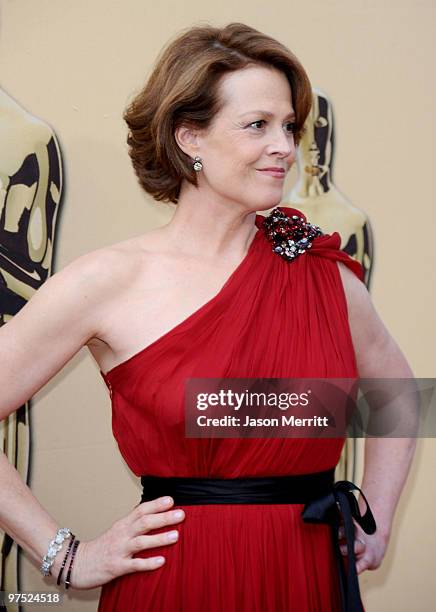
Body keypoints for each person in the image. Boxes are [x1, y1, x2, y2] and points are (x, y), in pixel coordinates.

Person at [0, 22, 416, 612]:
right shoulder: (108, 281)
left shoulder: (324, 275)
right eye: (258, 126)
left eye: (290, 127)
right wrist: (65, 556)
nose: (285, 147)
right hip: (178, 581)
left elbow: (396, 394)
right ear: (189, 137)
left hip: (307, 575)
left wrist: (377, 512)